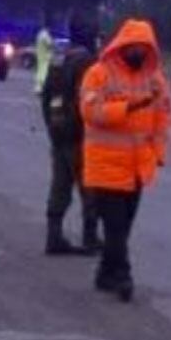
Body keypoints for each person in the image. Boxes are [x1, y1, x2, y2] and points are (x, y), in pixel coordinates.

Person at [79, 19, 171, 302]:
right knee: (116, 226)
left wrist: (158, 154)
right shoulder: (98, 74)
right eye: (133, 47)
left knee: (123, 226)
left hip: (137, 168)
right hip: (106, 165)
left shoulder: (155, 80)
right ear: (121, 46)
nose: (138, 53)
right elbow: (90, 112)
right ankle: (123, 276)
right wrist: (128, 107)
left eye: (143, 48)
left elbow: (162, 119)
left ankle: (105, 273)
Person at [40, 13, 101, 256]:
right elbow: (88, 98)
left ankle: (53, 236)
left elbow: (46, 96)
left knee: (60, 185)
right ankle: (89, 238)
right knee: (90, 187)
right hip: (80, 134)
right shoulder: (87, 62)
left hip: (58, 131)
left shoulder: (58, 57)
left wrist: (52, 125)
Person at [33, 24, 54, 95]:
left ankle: (38, 89)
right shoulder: (45, 35)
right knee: (44, 72)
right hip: (45, 57)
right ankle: (42, 89)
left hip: (40, 55)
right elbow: (50, 44)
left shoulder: (39, 34)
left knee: (39, 71)